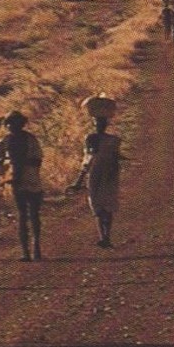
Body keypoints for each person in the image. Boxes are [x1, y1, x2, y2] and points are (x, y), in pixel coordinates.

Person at [0, 110, 46, 262]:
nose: (12, 126)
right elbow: (38, 159)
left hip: (21, 180)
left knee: (24, 215)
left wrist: (13, 165)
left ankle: (28, 251)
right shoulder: (29, 139)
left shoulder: (8, 140)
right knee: (30, 215)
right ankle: (34, 248)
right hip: (30, 179)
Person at [68, 96, 120, 249]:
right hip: (106, 173)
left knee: (100, 205)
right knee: (102, 205)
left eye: (101, 123)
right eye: (98, 123)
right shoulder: (112, 140)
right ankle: (104, 236)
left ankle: (105, 236)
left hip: (99, 173)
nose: (99, 125)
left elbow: (88, 160)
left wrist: (79, 181)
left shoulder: (92, 139)